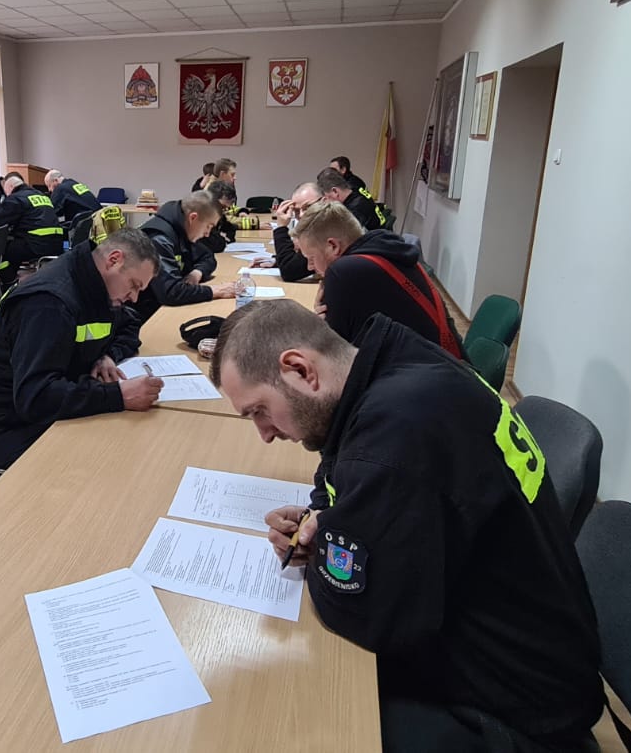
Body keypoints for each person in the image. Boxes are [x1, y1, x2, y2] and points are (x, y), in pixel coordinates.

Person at [210, 301, 603, 753]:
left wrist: (321, 544)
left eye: (259, 410)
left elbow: (361, 613)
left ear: (300, 370)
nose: (264, 433)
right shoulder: (392, 363)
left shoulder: (395, 437)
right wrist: (324, 520)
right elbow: (336, 469)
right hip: (530, 643)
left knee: (296, 716)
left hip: (516, 710)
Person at [0, 230, 163, 469]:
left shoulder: (97, 287)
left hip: (43, 412)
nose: (135, 298)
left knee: (131, 442)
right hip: (5, 428)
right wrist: (118, 396)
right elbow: (35, 398)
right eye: (134, 285)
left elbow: (129, 324)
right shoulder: (48, 303)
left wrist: (108, 355)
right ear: (114, 260)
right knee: (111, 460)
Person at [291, 201, 463, 353]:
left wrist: (319, 325)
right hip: (448, 364)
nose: (309, 267)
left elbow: (331, 355)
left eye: (311, 258)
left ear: (333, 246)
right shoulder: (384, 251)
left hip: (429, 373)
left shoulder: (343, 271)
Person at [129, 191, 238, 325]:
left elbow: (207, 256)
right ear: (193, 218)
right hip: (141, 317)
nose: (207, 234)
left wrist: (197, 272)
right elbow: (171, 292)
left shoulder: (181, 230)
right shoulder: (159, 238)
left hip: (158, 309)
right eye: (208, 226)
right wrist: (216, 291)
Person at [0, 173, 65, 287]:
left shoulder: (15, 198)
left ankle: (8, 284)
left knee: (1, 250)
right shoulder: (41, 195)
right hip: (57, 243)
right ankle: (11, 281)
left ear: (11, 187)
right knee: (15, 245)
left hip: (36, 244)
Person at [254, 182, 321, 282]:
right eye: (297, 210)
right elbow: (297, 264)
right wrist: (278, 260)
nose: (301, 215)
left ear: (324, 201)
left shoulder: (328, 229)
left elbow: (289, 271)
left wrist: (281, 227)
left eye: (308, 207)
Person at [316, 167, 390, 231]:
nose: (327, 201)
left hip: (377, 239)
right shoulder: (356, 189)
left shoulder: (354, 210)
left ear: (335, 191)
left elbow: (345, 236)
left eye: (327, 197)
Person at [195, 179, 238, 255]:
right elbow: (212, 244)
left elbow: (230, 230)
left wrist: (220, 237)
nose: (223, 211)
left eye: (227, 208)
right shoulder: (199, 213)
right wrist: (221, 238)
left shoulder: (217, 213)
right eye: (222, 206)